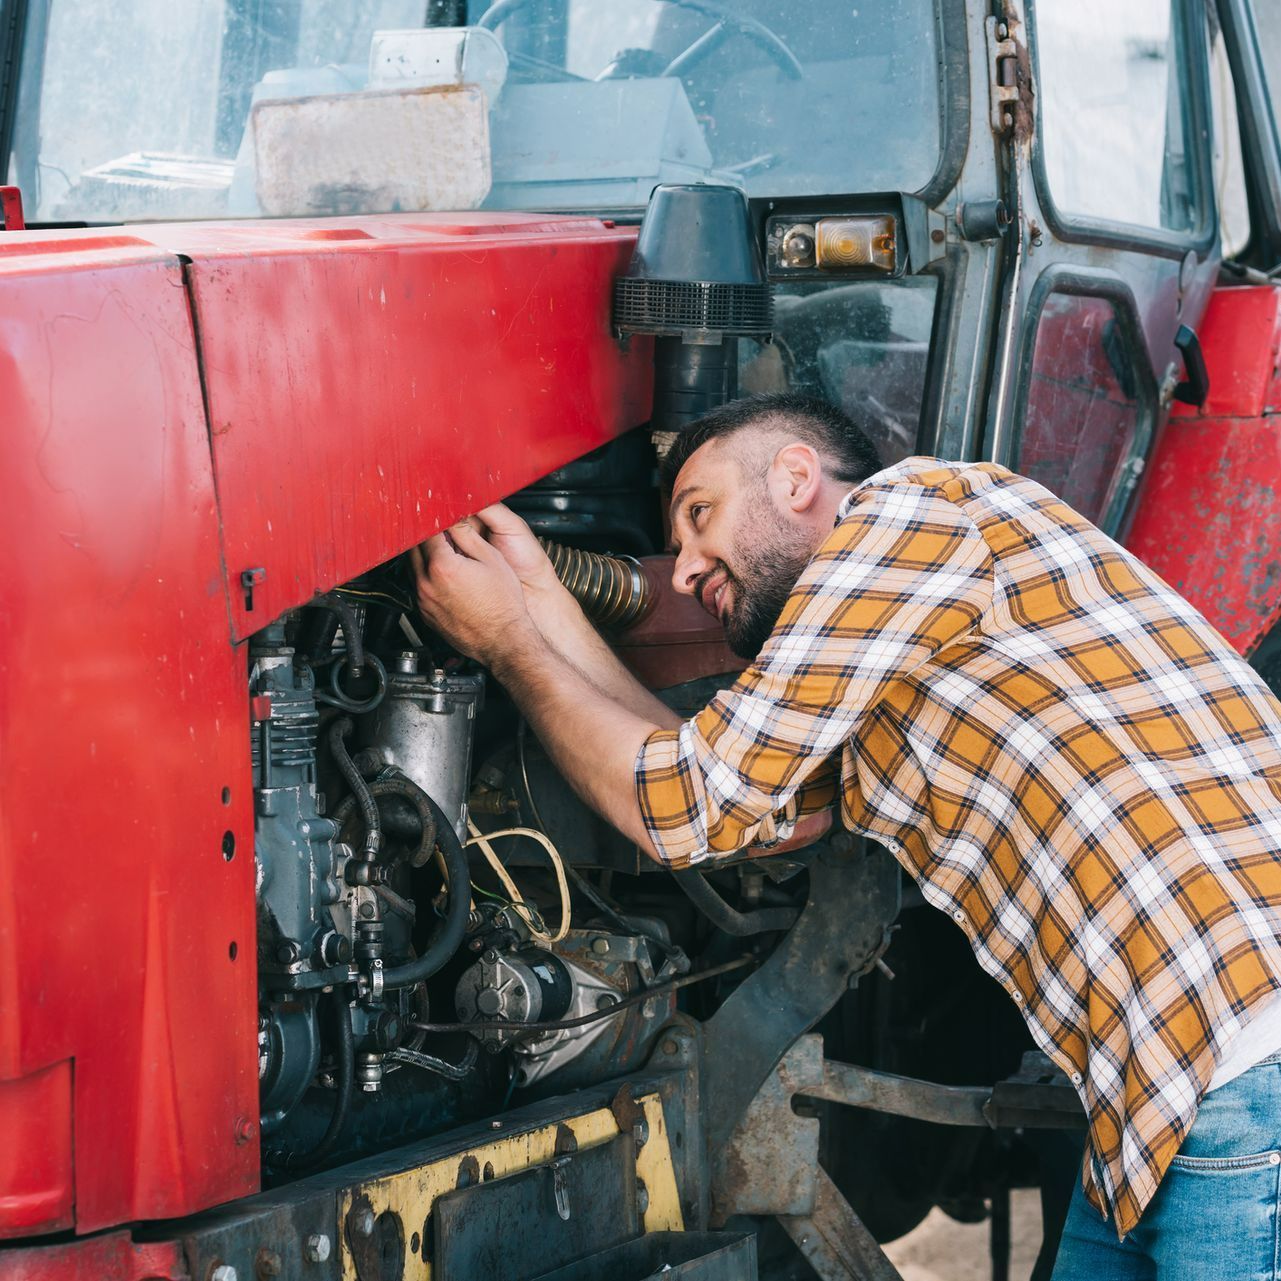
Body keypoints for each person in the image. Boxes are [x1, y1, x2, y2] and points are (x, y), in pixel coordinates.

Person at [412, 392, 1281, 1278]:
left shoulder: (911, 514)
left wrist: (510, 645)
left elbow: (681, 804)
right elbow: (707, 791)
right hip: (1158, 1092)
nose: (681, 572)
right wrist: (537, 600)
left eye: (700, 514)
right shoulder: (896, 659)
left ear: (795, 477)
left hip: (1235, 1054)